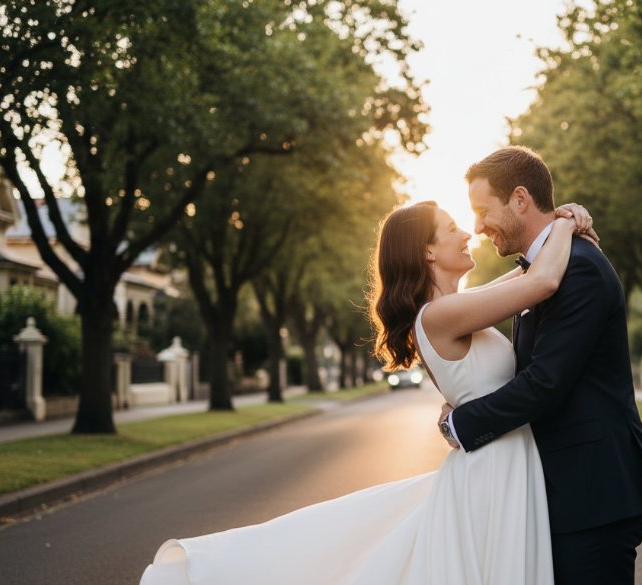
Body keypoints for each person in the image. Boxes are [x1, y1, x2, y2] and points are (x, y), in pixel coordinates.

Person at [138, 199, 596, 585]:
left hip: (501, 461)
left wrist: (559, 229)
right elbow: (542, 281)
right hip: (491, 471)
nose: (468, 234)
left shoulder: (454, 308)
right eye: (453, 228)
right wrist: (565, 223)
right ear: (428, 252)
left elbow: (526, 277)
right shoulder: (437, 317)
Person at [439, 146, 642, 584]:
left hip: (594, 495)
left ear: (520, 200)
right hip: (569, 493)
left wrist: (461, 425)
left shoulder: (577, 269)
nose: (477, 227)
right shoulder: (541, 271)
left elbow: (544, 383)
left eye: (483, 210)